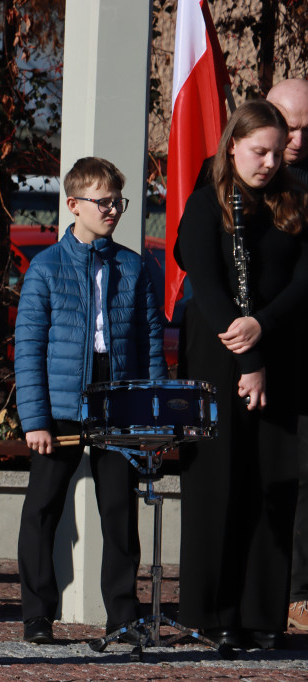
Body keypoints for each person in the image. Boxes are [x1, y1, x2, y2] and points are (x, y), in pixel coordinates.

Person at [15, 157, 166, 644]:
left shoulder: (133, 265)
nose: (113, 211)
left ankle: (122, 613)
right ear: (74, 204)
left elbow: (150, 345)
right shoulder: (46, 267)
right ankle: (38, 614)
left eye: (118, 202)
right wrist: (35, 418)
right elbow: (29, 347)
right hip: (60, 403)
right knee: (44, 507)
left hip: (117, 399)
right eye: (103, 202)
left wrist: (152, 416)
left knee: (120, 510)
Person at [175, 99, 308, 650]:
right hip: (219, 355)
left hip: (278, 349)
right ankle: (215, 611)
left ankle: (261, 613)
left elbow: (305, 280)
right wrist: (246, 352)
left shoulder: (295, 198)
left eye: (277, 152)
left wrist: (263, 327)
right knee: (219, 483)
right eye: (260, 151)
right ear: (233, 144)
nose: (270, 163)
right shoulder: (207, 201)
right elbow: (204, 282)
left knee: (271, 484)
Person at [266, 78, 308, 634]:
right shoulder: (241, 179)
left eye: (306, 128)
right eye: (288, 125)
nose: (297, 139)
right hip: (260, 348)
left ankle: (299, 592)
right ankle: (279, 591)